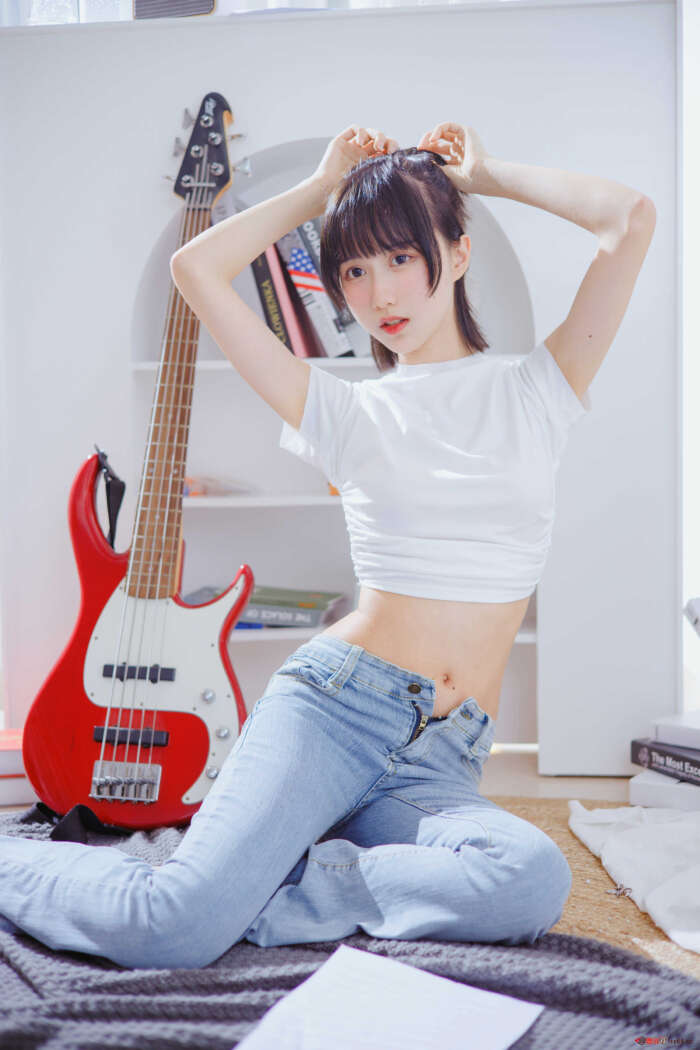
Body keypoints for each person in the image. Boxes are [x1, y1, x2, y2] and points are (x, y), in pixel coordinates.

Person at [0, 124, 655, 969]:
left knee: (527, 878)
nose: (379, 292)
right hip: (335, 712)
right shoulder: (345, 410)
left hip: (440, 758)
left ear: (457, 253)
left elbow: (629, 219)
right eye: (353, 270)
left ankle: (260, 890)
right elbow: (195, 269)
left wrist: (486, 173)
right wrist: (319, 188)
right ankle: (187, 892)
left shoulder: (538, 390)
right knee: (170, 929)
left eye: (401, 258)